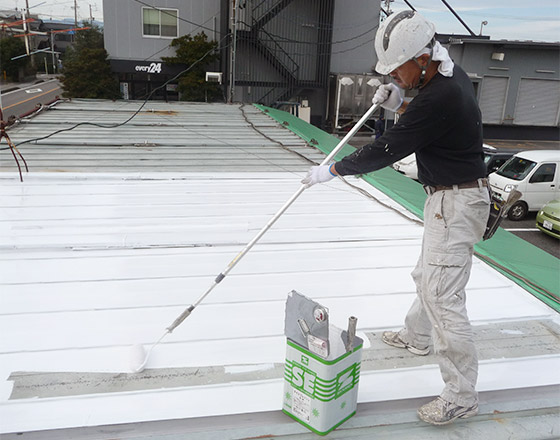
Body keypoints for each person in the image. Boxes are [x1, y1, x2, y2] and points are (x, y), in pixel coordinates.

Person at [302, 11, 490, 426]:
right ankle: (417, 336)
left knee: (443, 297)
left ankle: (462, 395)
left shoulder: (441, 95)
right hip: (448, 198)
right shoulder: (445, 72)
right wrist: (400, 102)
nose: (394, 77)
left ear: (422, 58)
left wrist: (330, 171)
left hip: (456, 203)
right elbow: (422, 119)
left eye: (397, 70)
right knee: (428, 277)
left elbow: (387, 150)